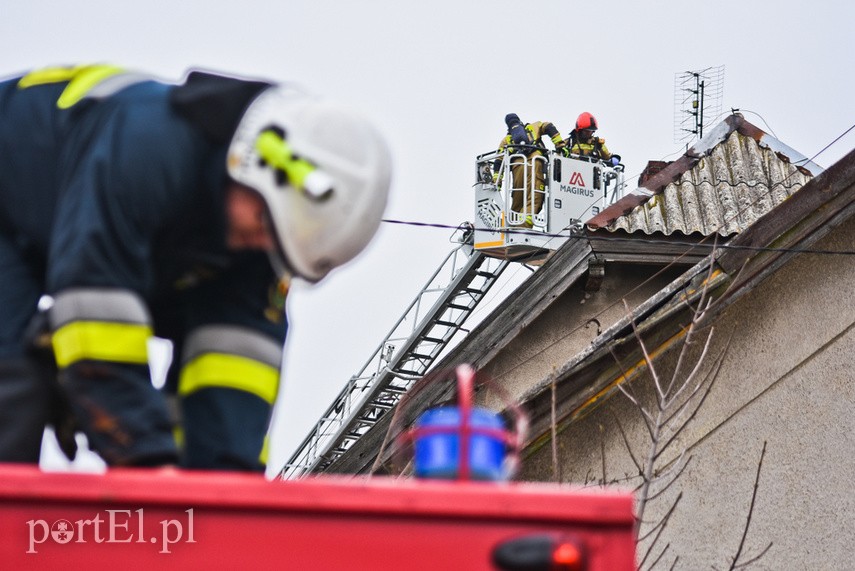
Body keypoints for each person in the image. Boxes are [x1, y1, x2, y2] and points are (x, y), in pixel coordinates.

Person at [0, 64, 392, 471]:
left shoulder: (255, 244)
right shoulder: (148, 149)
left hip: (55, 230)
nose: (262, 245)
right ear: (252, 166)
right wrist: (146, 459)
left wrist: (218, 497)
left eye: (280, 244)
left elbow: (233, 382)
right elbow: (95, 312)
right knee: (13, 385)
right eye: (263, 222)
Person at [495, 113, 565, 227]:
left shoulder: (506, 140)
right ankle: (524, 225)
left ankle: (512, 225)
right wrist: (560, 144)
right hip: (535, 163)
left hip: (517, 166)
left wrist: (496, 182)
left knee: (517, 199)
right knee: (535, 196)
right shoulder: (533, 127)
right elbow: (548, 126)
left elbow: (498, 161)